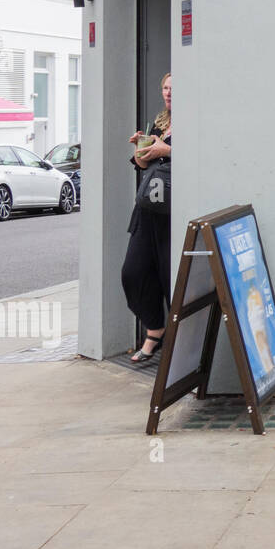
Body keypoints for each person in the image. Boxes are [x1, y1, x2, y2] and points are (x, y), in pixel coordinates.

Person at [124, 73, 172, 362]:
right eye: (165, 88)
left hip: (174, 211)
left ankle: (169, 344)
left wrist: (169, 150)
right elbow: (142, 164)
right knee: (133, 273)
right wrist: (140, 148)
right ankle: (156, 327)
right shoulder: (160, 122)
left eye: (173, 88)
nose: (168, 93)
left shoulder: (195, 118)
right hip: (148, 209)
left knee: (171, 278)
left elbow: (205, 158)